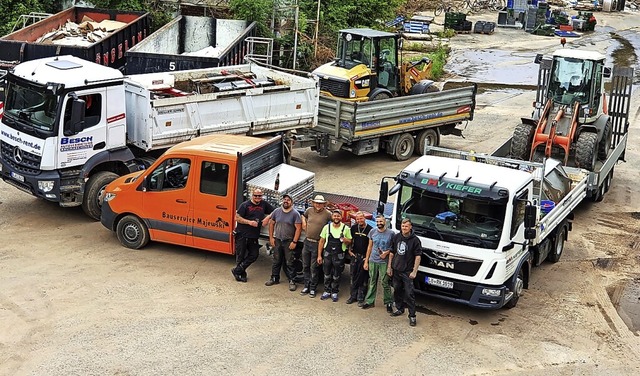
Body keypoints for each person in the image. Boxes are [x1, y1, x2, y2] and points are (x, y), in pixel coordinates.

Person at [233, 188, 274, 282]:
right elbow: (237, 218)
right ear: (252, 195)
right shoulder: (245, 205)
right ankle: (241, 274)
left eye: (259, 196)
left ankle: (237, 270)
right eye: (255, 195)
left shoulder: (264, 204)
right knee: (241, 256)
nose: (257, 197)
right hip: (242, 235)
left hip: (254, 236)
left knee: (254, 254)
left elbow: (275, 211)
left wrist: (268, 217)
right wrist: (249, 222)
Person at [388, 218, 422, 327]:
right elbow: (392, 253)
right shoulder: (396, 237)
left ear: (410, 227)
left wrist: (414, 271)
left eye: (406, 226)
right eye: (403, 226)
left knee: (409, 294)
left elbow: (418, 256)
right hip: (396, 270)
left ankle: (412, 316)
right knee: (397, 290)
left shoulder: (415, 240)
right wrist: (390, 267)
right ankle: (399, 308)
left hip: (407, 272)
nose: (404, 228)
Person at [266, 194, 302, 291]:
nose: (286, 201)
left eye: (288, 200)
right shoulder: (277, 211)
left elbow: (298, 228)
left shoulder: (295, 214)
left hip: (288, 241)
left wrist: (294, 241)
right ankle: (274, 278)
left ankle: (292, 281)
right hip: (277, 240)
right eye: (284, 199)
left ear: (292, 202)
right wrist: (271, 238)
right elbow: (271, 223)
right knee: (276, 260)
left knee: (289, 262)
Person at [300, 195, 332, 298]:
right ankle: (306, 286)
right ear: (313, 203)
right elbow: (303, 216)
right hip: (307, 241)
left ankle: (313, 288)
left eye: (320, 203)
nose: (318, 205)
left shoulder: (327, 214)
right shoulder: (309, 210)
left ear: (324, 204)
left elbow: (335, 220)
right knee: (305, 266)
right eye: (316, 203)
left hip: (317, 243)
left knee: (314, 267)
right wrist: (304, 223)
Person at [317, 210, 352, 302]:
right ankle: (326, 291)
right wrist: (319, 255)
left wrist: (345, 240)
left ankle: (334, 292)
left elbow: (350, 241)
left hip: (339, 255)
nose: (336, 217)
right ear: (332, 217)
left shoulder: (346, 229)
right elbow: (321, 241)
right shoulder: (326, 227)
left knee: (337, 275)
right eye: (335, 216)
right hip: (327, 254)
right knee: (327, 274)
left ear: (341, 217)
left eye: (338, 216)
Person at [361, 215, 394, 312]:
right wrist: (366, 261)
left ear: (385, 222)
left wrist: (386, 253)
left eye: (381, 221)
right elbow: (369, 247)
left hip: (384, 262)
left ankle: (388, 302)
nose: (379, 223)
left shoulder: (391, 234)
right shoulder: (372, 232)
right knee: (372, 281)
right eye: (378, 221)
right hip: (373, 260)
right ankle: (369, 301)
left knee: (385, 282)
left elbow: (393, 248)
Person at [346, 212, 372, 306]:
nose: (359, 221)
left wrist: (367, 258)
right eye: (357, 219)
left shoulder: (370, 229)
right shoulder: (353, 228)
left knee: (363, 278)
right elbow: (350, 240)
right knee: (353, 276)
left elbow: (371, 245)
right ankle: (353, 296)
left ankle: (361, 297)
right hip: (355, 256)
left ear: (364, 218)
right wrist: (349, 250)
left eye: (361, 218)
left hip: (364, 257)